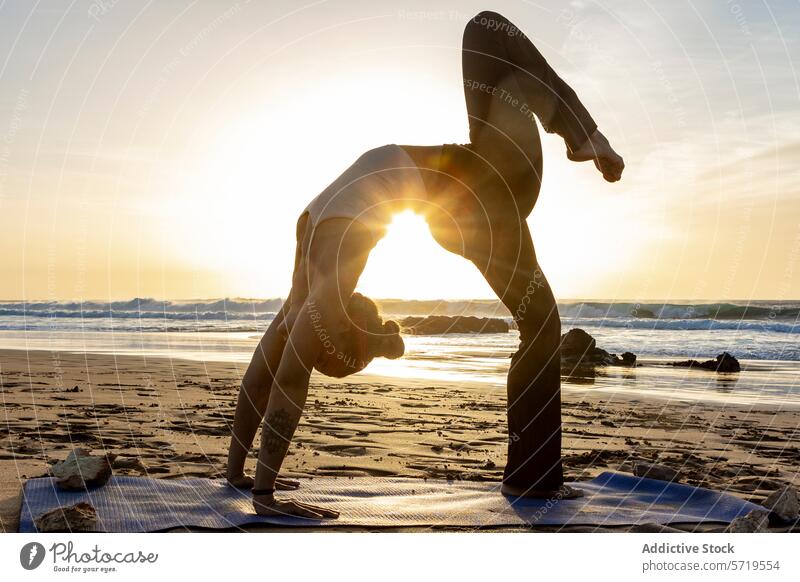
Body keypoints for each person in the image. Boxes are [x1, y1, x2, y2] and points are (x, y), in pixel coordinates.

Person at [225, 10, 624, 519]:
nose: (372, 311)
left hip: (470, 192)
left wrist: (239, 472)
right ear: (337, 328)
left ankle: (584, 134)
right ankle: (534, 479)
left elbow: (266, 367)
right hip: (484, 194)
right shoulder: (328, 277)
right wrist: (265, 498)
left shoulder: (311, 251)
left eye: (367, 325)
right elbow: (290, 377)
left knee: (487, 37)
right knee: (484, 30)